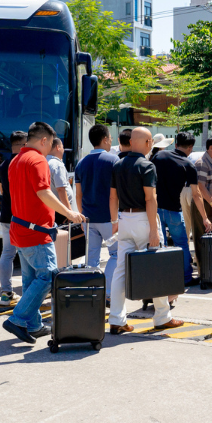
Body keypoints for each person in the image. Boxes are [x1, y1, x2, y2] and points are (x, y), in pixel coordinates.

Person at [3, 122, 84, 344]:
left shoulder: (15, 160)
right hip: (36, 233)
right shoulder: (37, 159)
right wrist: (69, 212)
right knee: (48, 275)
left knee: (31, 280)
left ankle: (35, 325)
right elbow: (43, 192)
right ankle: (18, 319)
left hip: (20, 229)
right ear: (44, 140)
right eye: (49, 145)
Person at [108, 127, 183, 334]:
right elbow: (151, 199)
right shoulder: (147, 165)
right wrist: (153, 230)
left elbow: (112, 197)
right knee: (154, 268)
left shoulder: (118, 164)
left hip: (124, 219)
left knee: (120, 270)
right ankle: (162, 317)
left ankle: (116, 319)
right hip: (143, 219)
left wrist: (115, 220)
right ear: (149, 143)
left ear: (131, 142)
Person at [151, 131, 209, 286]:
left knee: (159, 246)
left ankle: (161, 279)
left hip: (154, 209)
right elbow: (196, 195)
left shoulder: (158, 156)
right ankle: (186, 278)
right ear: (190, 147)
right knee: (182, 244)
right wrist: (205, 217)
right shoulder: (188, 165)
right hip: (173, 210)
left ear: (175, 144)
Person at [74, 124, 119, 298]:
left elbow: (79, 194)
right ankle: (107, 292)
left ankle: (92, 291)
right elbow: (115, 195)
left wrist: (82, 216)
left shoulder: (81, 163)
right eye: (110, 138)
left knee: (91, 258)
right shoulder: (113, 161)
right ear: (105, 139)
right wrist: (116, 219)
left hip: (89, 218)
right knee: (115, 254)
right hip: (109, 219)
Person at [0, 131, 27, 306]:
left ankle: (5, 292)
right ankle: (29, 293)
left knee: (7, 253)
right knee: (25, 255)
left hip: (6, 214)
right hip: (23, 216)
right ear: (23, 144)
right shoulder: (24, 163)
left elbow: (2, 190)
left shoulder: (3, 164)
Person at [191, 136, 212, 250]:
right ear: (211, 148)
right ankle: (204, 267)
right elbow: (200, 187)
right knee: (204, 239)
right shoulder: (202, 163)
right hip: (204, 205)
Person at [47, 137, 75, 267]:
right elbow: (61, 190)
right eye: (62, 146)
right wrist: (69, 212)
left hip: (50, 208)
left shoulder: (44, 161)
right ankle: (60, 269)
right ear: (58, 147)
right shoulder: (56, 164)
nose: (63, 149)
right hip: (59, 211)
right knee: (61, 243)